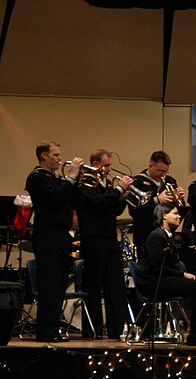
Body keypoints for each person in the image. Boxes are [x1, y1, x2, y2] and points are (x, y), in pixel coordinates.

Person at [136, 203, 196, 345]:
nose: (179, 216)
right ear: (164, 215)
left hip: (164, 279)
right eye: (175, 213)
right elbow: (157, 266)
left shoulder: (167, 236)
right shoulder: (156, 236)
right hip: (153, 283)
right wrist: (182, 275)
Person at [24, 141, 82, 342]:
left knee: (59, 285)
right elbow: (56, 198)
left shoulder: (55, 178)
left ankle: (54, 329)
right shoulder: (36, 178)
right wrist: (71, 177)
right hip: (47, 235)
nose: (60, 158)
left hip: (62, 236)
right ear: (43, 156)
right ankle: (45, 331)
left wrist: (76, 180)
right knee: (49, 284)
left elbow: (70, 198)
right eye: (56, 155)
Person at [74, 149, 134, 341]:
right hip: (93, 238)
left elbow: (112, 209)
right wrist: (117, 190)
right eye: (106, 166)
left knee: (114, 284)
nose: (109, 170)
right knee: (93, 284)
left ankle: (116, 329)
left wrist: (123, 196)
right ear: (95, 163)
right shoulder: (86, 181)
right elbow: (98, 204)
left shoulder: (106, 182)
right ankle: (93, 329)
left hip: (109, 237)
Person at [128, 151, 185, 257]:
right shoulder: (137, 181)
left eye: (166, 172)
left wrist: (179, 198)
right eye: (160, 171)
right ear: (150, 166)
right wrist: (157, 200)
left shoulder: (170, 181)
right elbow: (134, 210)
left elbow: (179, 207)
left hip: (166, 232)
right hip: (145, 232)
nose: (163, 175)